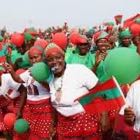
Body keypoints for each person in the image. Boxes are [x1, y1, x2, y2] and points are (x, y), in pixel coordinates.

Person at [45, 43, 111, 140]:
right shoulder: (50, 79)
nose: (55, 62)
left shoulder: (79, 70)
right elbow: (56, 106)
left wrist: (104, 115)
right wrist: (53, 124)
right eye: (50, 60)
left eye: (58, 57)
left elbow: (99, 90)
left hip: (86, 123)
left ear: (63, 57)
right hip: (64, 126)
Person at [4, 45, 55, 140]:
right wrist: (11, 71)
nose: (34, 60)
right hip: (30, 108)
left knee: (44, 135)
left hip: (45, 108)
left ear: (43, 57)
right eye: (31, 58)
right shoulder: (30, 70)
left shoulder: (47, 70)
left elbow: (51, 89)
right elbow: (18, 79)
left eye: (36, 57)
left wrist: (38, 78)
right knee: (30, 134)